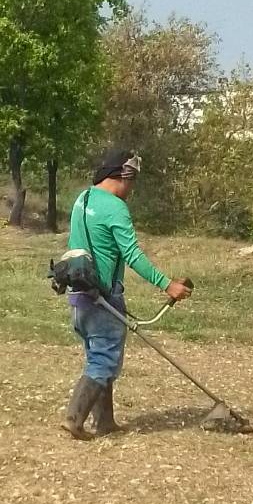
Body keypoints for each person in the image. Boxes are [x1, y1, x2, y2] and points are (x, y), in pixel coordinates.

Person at [63, 146, 192, 438]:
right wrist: (168, 284)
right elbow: (132, 255)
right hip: (103, 298)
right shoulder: (116, 207)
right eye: (132, 182)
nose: (131, 189)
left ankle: (104, 422)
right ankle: (74, 418)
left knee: (98, 356)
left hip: (78, 296)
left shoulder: (83, 199)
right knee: (104, 360)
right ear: (124, 175)